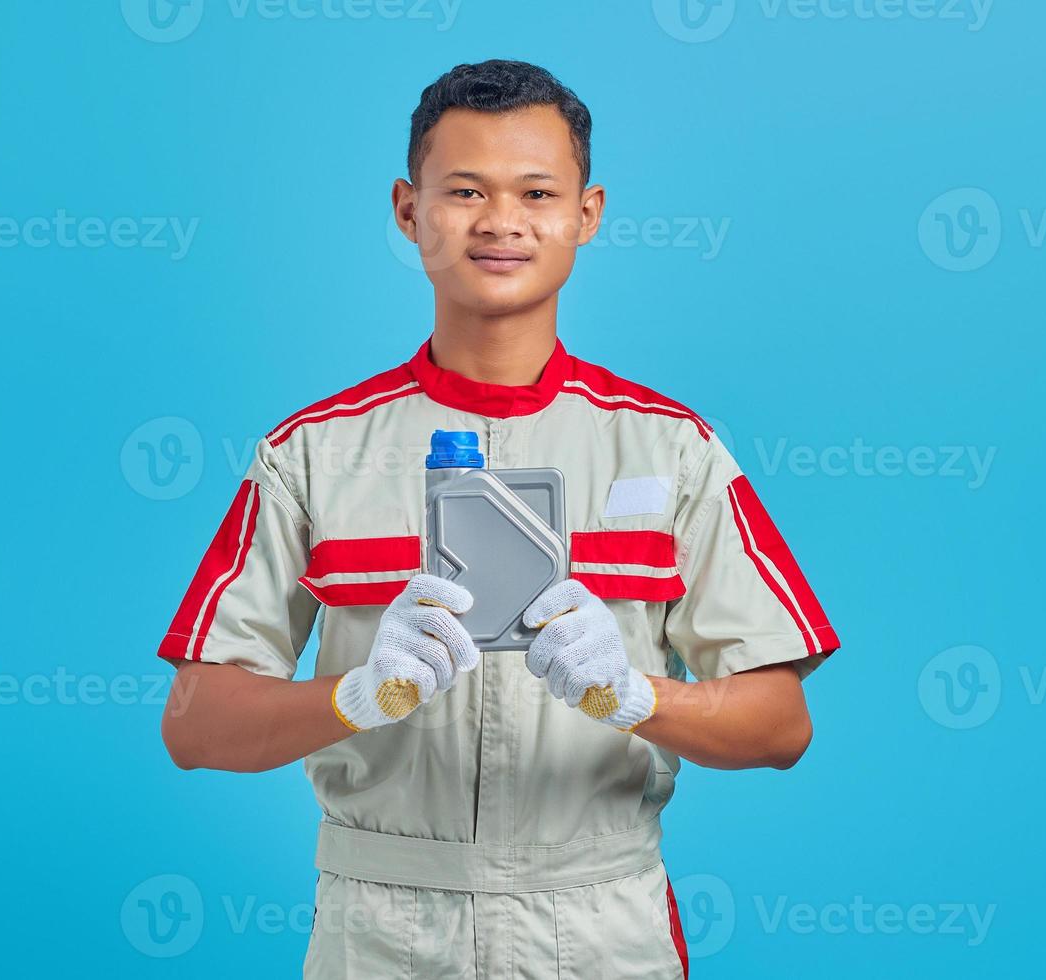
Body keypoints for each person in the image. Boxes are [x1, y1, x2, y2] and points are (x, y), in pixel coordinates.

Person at [157, 59, 841, 979]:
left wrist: (636, 696)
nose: (502, 221)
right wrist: (355, 695)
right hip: (382, 928)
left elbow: (779, 724)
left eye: (537, 192)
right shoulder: (312, 454)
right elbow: (197, 725)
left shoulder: (672, 451)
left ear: (587, 213)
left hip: (600, 924)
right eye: (465, 190)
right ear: (408, 210)